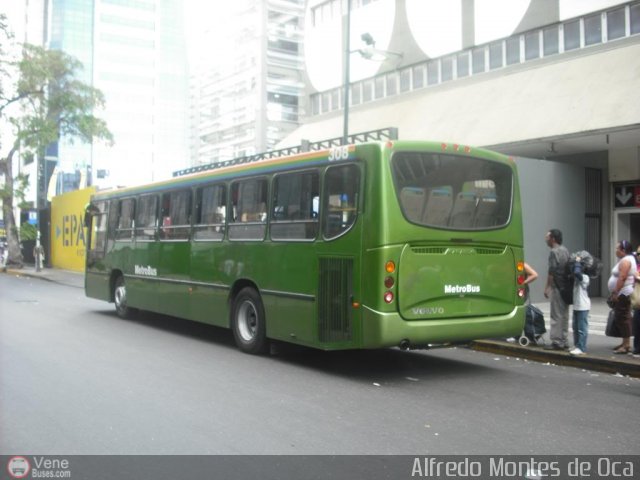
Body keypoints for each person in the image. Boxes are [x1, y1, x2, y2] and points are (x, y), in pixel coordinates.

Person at [607, 240, 637, 354]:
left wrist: (615, 292)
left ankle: (626, 345)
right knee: (623, 317)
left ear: (623, 250)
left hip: (623, 293)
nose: (616, 250)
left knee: (623, 318)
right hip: (624, 292)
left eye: (617, 248)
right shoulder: (628, 259)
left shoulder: (625, 261)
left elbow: (622, 277)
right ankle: (625, 342)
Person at [543, 229, 571, 350]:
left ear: (553, 239)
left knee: (556, 315)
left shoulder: (554, 252)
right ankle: (564, 340)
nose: (546, 239)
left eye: (547, 237)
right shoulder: (565, 250)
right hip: (566, 286)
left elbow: (552, 272)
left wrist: (547, 287)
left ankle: (556, 341)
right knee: (564, 314)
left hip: (557, 286)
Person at [569, 256, 590, 355]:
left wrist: (577, 262)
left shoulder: (585, 277)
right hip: (577, 306)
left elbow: (577, 272)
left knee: (582, 329)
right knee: (575, 327)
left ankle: (582, 348)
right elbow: (573, 273)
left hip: (583, 306)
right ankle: (577, 345)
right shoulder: (577, 277)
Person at [632, 246, 640, 355]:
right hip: (638, 301)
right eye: (637, 254)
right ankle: (637, 347)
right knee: (637, 324)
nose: (638, 256)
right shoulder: (637, 266)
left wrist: (637, 278)